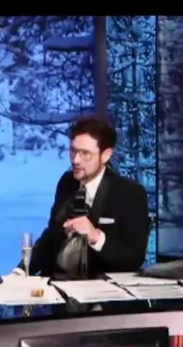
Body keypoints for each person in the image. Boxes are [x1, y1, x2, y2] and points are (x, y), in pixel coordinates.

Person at [16, 116, 150, 277]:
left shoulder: (129, 193)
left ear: (106, 155)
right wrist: (21, 272)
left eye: (86, 154)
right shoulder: (67, 183)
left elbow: (134, 258)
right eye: (73, 151)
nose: (76, 160)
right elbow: (51, 237)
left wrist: (96, 237)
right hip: (57, 282)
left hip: (101, 286)